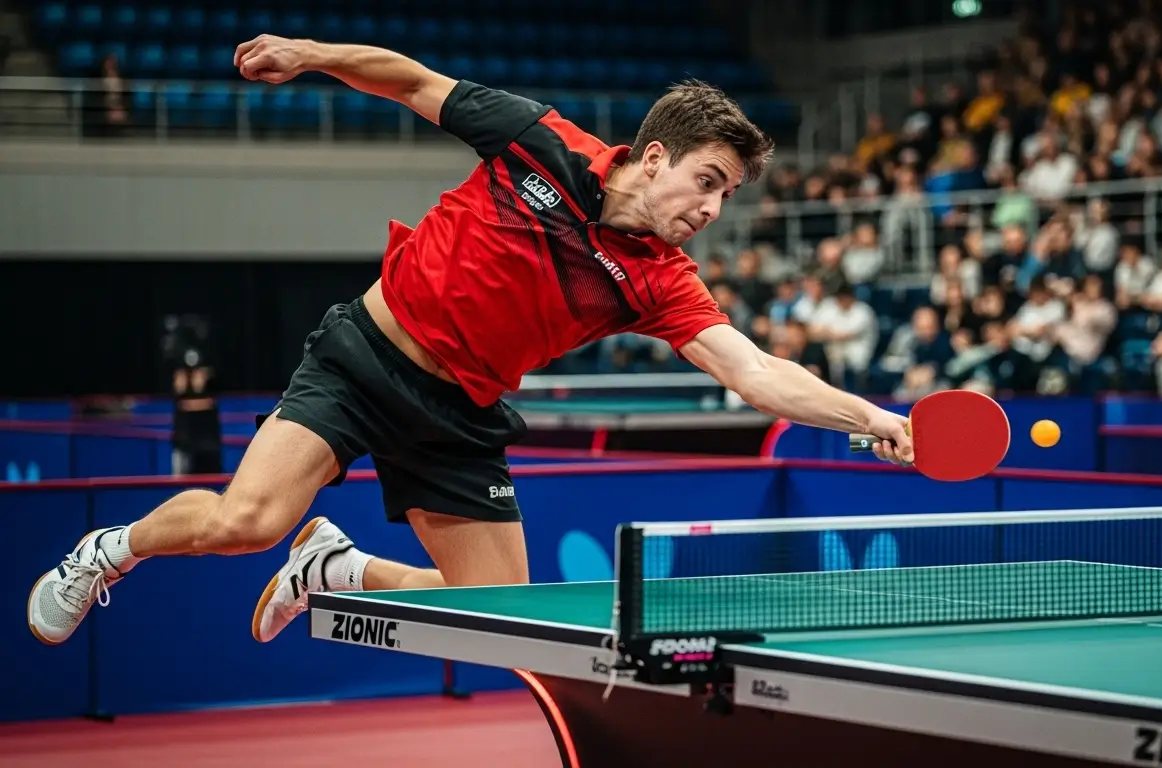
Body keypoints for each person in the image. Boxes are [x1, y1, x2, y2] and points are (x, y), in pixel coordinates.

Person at [27, 36, 915, 647]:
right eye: (708, 182)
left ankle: (340, 568)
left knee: (503, 610)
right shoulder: (541, 140)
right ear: (654, 157)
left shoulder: (660, 282)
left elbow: (752, 371)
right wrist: (309, 55)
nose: (713, 210)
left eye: (728, 196)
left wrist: (868, 414)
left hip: (458, 410)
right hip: (363, 357)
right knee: (244, 523)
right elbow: (412, 81)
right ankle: (113, 549)